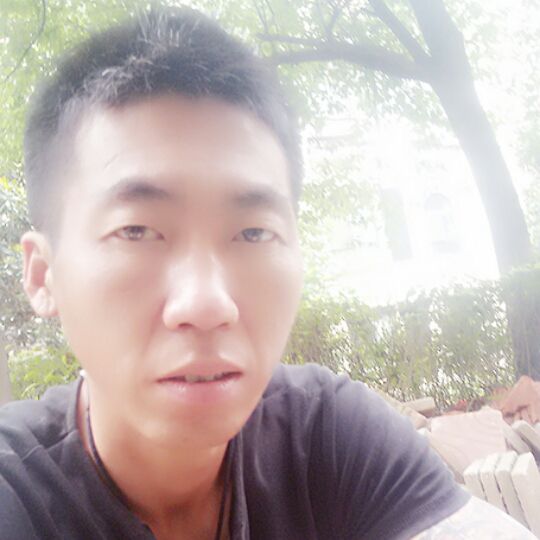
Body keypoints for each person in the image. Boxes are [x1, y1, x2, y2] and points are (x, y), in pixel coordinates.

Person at [0, 5, 533, 539]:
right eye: (136, 230)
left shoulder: (329, 438)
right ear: (44, 276)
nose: (206, 303)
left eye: (253, 233)